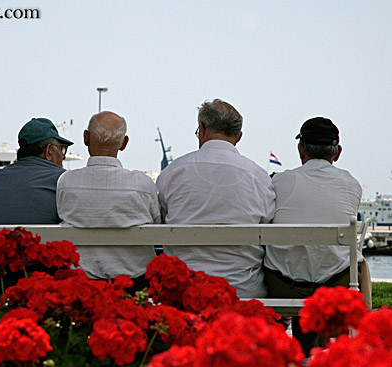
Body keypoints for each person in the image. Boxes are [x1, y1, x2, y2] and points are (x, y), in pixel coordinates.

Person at [263, 117, 364, 356]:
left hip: (283, 287)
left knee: (291, 263)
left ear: (301, 150)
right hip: (333, 286)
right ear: (337, 152)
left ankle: (297, 349)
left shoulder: (280, 181)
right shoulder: (352, 185)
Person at [156, 99, 275, 298]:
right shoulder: (259, 177)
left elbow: (158, 220)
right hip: (242, 290)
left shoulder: (173, 172)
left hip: (185, 288)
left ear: (202, 128)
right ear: (238, 136)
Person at [57, 111, 160, 292]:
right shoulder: (142, 184)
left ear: (85, 138)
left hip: (82, 281)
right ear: (124, 143)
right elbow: (157, 224)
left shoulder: (66, 182)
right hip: (135, 282)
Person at [0, 117, 73, 264]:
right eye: (62, 149)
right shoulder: (62, 179)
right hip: (35, 270)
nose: (64, 156)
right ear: (48, 151)